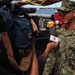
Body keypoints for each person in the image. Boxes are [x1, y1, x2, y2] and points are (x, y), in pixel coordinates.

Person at [43, 0, 75, 75]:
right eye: (61, 12)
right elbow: (52, 57)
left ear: (74, 13)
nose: (63, 15)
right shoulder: (57, 33)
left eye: (66, 12)